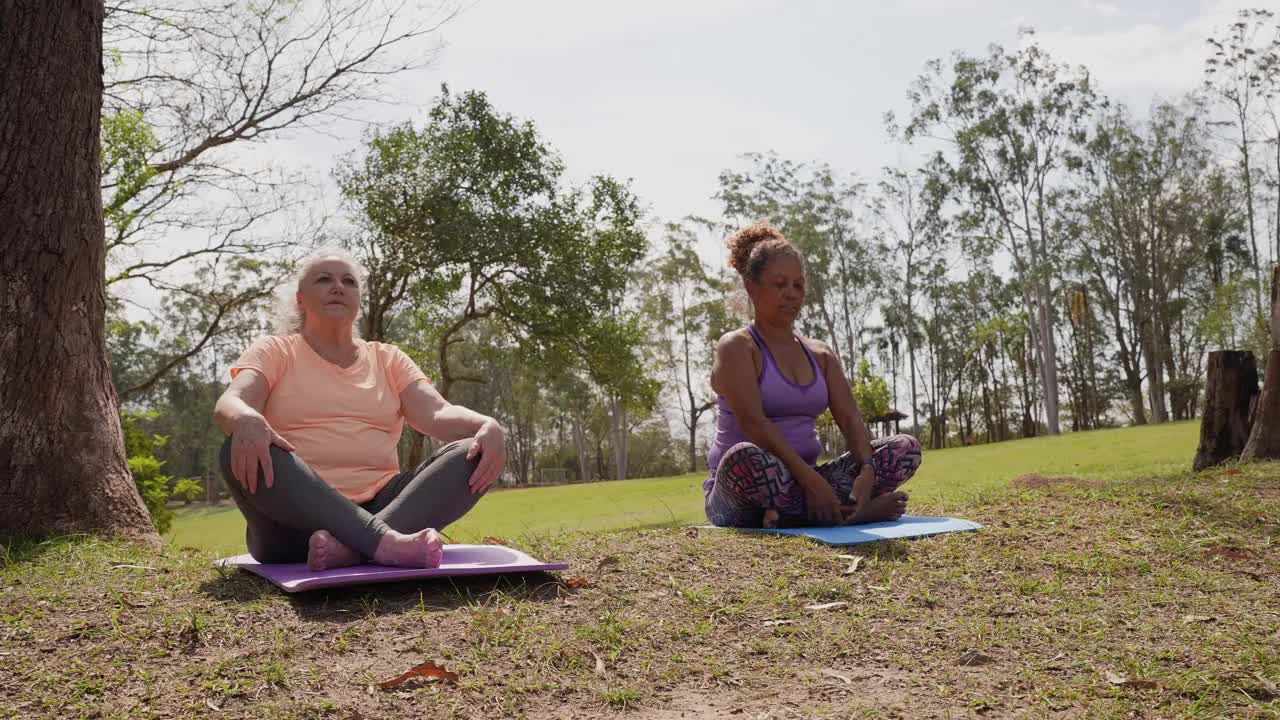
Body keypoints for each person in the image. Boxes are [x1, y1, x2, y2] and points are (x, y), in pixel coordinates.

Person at [212, 249, 506, 570]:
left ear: (358, 300)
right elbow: (231, 401)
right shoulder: (275, 350)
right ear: (300, 299)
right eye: (324, 279)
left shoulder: (387, 358)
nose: (338, 286)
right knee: (237, 445)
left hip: (385, 503)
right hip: (293, 521)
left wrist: (486, 425)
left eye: (348, 281)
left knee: (473, 452)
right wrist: (245, 417)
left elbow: (436, 413)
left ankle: (352, 549)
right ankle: (383, 542)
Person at [704, 222, 923, 528]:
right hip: (742, 490)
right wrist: (811, 481)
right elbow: (753, 424)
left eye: (798, 285)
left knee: (904, 448)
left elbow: (850, 419)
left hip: (802, 485)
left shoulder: (820, 354)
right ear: (752, 287)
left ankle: (797, 515)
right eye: (779, 285)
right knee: (746, 457)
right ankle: (852, 514)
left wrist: (867, 470)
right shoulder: (737, 347)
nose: (791, 294)